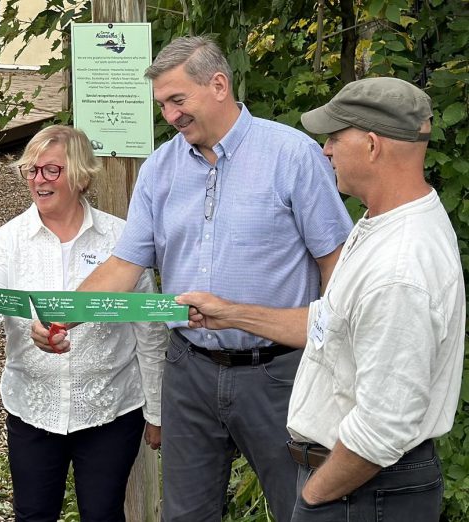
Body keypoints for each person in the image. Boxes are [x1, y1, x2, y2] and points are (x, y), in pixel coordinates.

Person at [32, 37, 353, 521]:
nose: (170, 116)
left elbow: (337, 264)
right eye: (162, 104)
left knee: (302, 508)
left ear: (219, 85)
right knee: (184, 514)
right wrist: (61, 318)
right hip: (189, 370)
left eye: (178, 100)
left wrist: (333, 357)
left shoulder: (292, 156)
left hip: (279, 372)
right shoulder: (160, 168)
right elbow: (123, 266)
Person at [178, 77, 466, 521]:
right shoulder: (383, 223)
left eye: (334, 138)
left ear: (372, 145)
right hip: (358, 487)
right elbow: (331, 324)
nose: (326, 151)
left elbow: (382, 428)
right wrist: (231, 314)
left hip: (362, 491)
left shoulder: (400, 268)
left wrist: (314, 498)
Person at [0, 125, 167, 522]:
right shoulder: (11, 240)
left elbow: (149, 330)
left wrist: (157, 412)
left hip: (109, 406)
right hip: (33, 407)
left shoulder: (119, 238)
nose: (39, 180)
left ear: (81, 176)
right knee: (34, 514)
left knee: (104, 513)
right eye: (32, 170)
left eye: (51, 170)